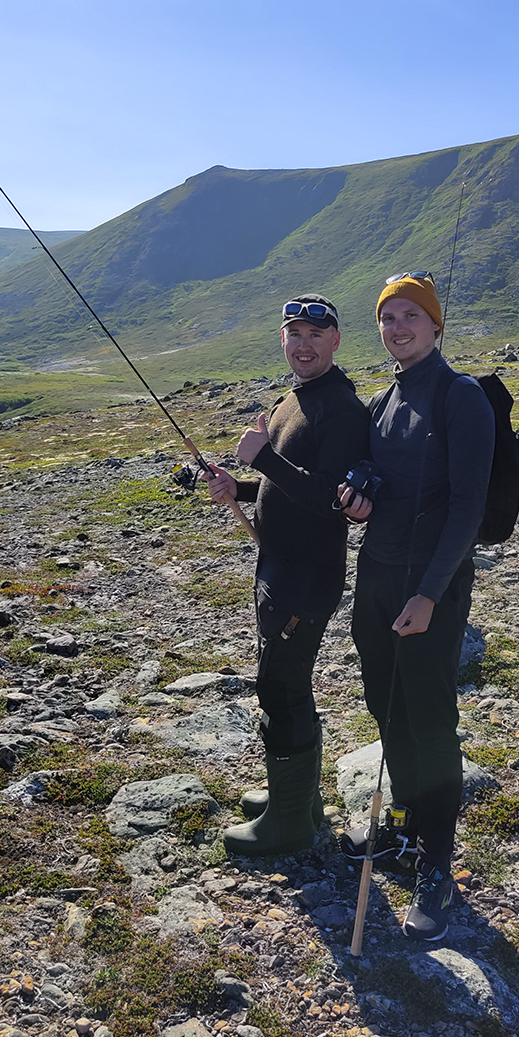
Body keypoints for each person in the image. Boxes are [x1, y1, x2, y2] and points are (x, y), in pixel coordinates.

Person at [338, 271, 495, 940]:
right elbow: (381, 486)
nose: (397, 326)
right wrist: (357, 496)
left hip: (429, 590)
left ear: (436, 325)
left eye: (410, 315)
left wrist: (429, 594)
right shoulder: (381, 400)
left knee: (429, 718)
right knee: (385, 705)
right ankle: (405, 824)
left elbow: (468, 508)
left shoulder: (462, 397)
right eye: (387, 316)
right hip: (374, 578)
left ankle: (437, 861)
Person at [204, 294, 370, 857]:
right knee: (283, 683)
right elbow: (286, 488)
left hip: (306, 577)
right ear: (283, 339)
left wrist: (265, 462)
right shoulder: (291, 400)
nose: (303, 344)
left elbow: (334, 497)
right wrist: (241, 488)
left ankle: (291, 824)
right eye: (294, 333)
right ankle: (290, 798)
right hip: (279, 567)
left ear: (336, 341)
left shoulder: (340, 408)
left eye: (315, 335)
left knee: (281, 686)